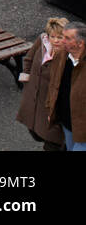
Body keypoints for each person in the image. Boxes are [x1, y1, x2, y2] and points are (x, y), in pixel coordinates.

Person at [16, 17, 68, 149]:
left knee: (53, 141)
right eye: (53, 36)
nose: (55, 40)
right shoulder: (42, 41)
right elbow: (29, 59)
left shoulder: (68, 56)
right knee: (35, 132)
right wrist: (26, 79)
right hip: (34, 99)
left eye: (60, 37)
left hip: (52, 106)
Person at [46, 22, 86, 151]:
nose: (61, 41)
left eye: (67, 38)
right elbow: (54, 83)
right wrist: (50, 107)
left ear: (80, 43)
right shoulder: (61, 55)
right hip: (67, 121)